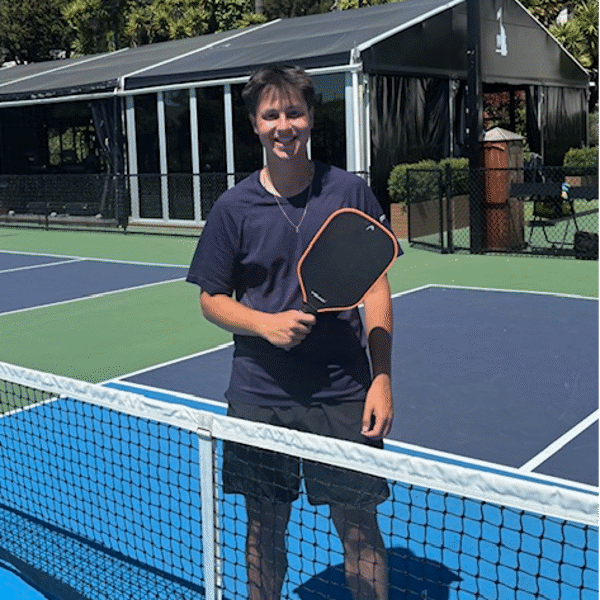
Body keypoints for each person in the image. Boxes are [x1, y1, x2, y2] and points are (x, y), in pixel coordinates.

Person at [186, 64, 400, 600]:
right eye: (271, 115)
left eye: (294, 113)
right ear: (255, 125)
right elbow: (211, 300)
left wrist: (381, 378)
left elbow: (375, 290)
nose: (284, 126)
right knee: (264, 528)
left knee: (359, 528)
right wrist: (266, 325)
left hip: (342, 393)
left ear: (311, 118)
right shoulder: (233, 208)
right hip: (261, 396)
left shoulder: (349, 191)